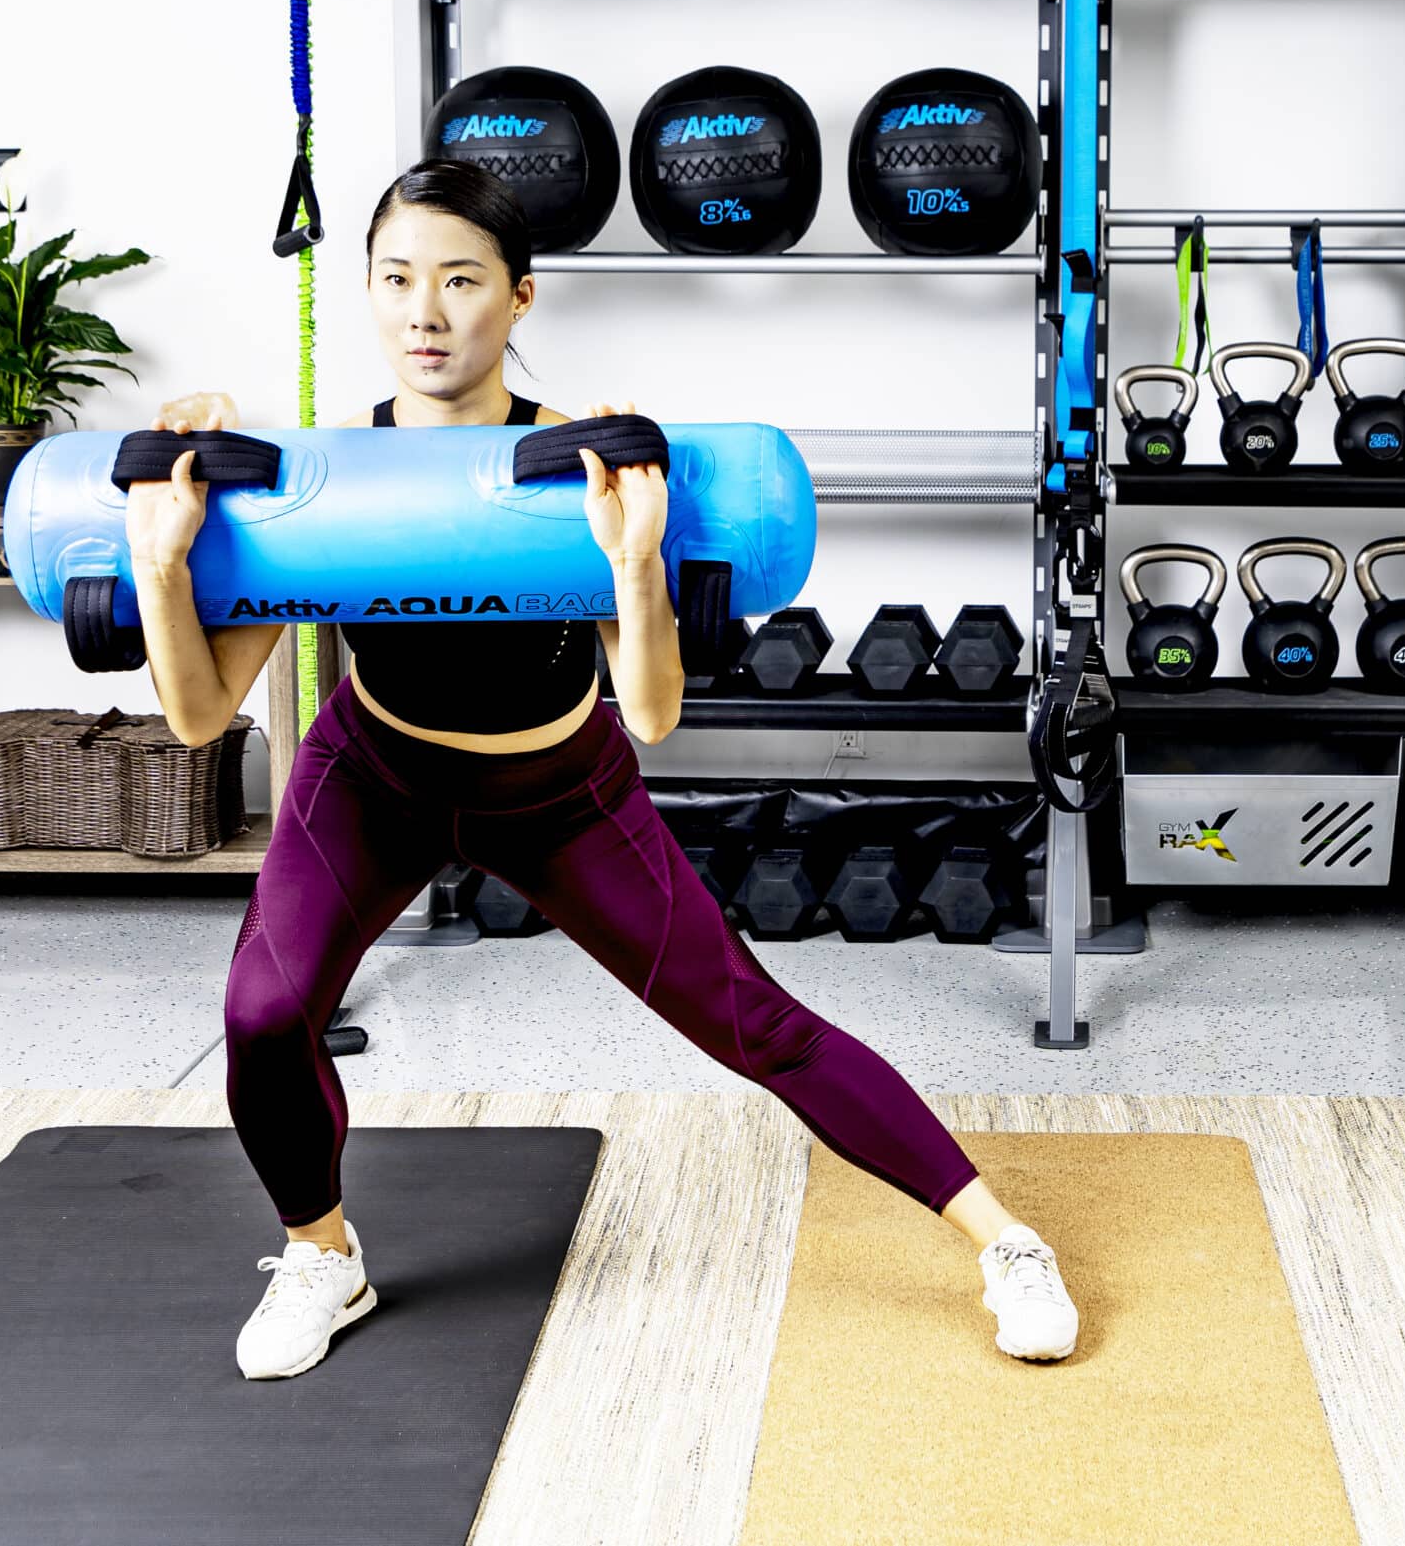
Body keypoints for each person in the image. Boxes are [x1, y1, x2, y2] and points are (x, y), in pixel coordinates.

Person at [126, 159, 1078, 1380]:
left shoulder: (580, 470)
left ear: (521, 298)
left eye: (462, 279)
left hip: (562, 793)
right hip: (372, 777)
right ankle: (323, 1251)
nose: (425, 310)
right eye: (397, 278)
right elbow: (203, 718)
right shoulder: (327, 481)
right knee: (262, 1012)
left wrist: (634, 560)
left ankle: (1004, 1241)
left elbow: (655, 713)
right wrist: (164, 570)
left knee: (755, 1022)